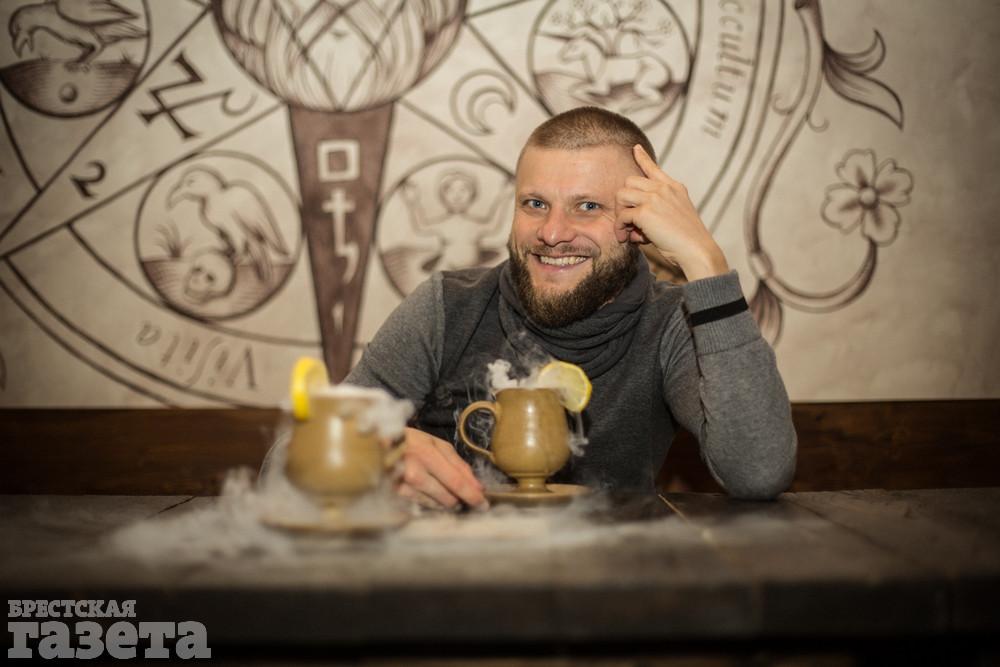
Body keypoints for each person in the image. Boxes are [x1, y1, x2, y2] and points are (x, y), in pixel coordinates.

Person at [347, 106, 797, 509]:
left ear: (639, 223)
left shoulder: (672, 324)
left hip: (612, 570)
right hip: (453, 567)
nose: (552, 232)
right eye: (535, 204)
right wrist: (379, 449)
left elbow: (759, 471)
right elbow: (311, 446)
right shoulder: (446, 307)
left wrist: (705, 261)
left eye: (587, 206)